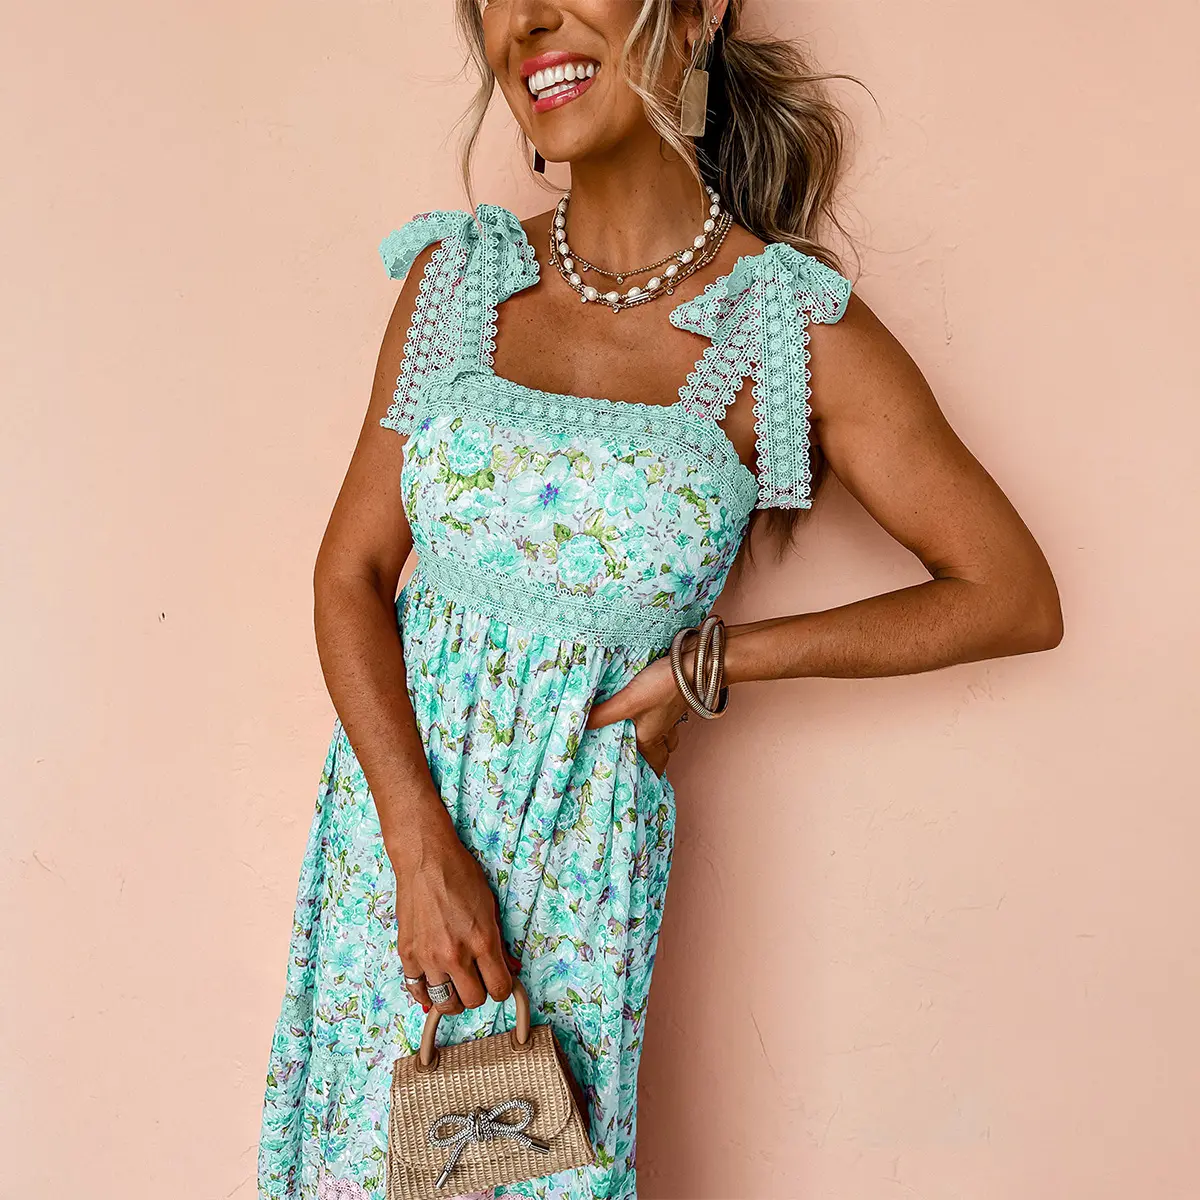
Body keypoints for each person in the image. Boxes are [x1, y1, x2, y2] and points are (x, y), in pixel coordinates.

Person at [257, 2, 1063, 1197]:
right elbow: (350, 576)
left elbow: (1010, 593)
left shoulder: (782, 324)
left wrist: (717, 660)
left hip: (579, 867)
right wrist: (415, 843)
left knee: (529, 1178)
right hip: (395, 853)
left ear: (693, 14)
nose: (530, 19)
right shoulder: (457, 281)